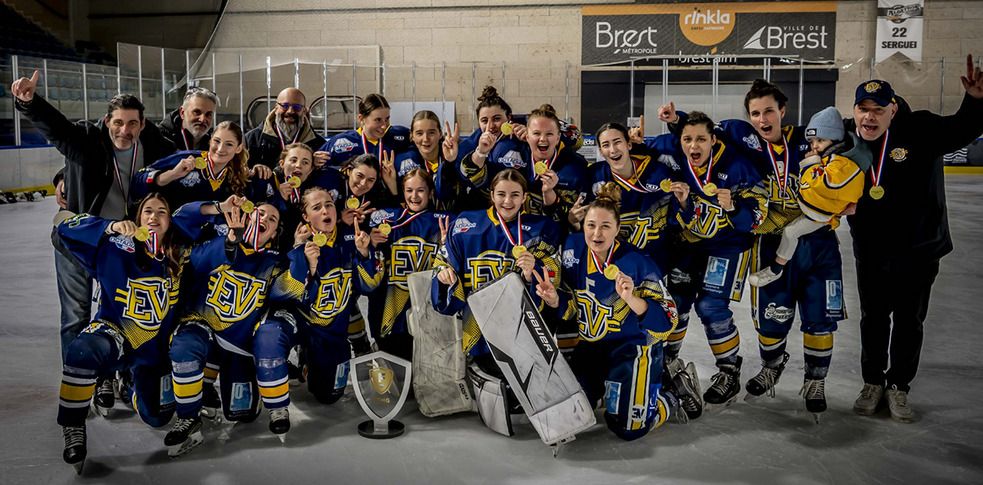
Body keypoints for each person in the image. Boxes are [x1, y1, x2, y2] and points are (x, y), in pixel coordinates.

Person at [657, 80, 847, 414]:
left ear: (782, 111)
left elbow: (852, 151)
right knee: (771, 315)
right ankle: (769, 366)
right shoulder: (742, 137)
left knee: (819, 316)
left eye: (769, 111)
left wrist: (855, 197)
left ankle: (815, 378)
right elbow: (696, 130)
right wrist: (676, 120)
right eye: (755, 113)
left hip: (815, 239)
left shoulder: (808, 140)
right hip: (769, 241)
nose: (762, 119)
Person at [12, 71, 175, 412]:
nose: (124, 131)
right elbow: (58, 130)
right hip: (81, 242)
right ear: (106, 122)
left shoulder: (157, 147)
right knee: (76, 315)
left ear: (142, 124)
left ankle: (116, 375)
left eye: (132, 124)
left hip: (125, 247)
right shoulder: (87, 139)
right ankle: (80, 385)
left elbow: (189, 165)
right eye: (118, 123)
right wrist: (29, 103)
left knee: (119, 313)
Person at [847, 56, 983, 422]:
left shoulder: (921, 128)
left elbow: (963, 128)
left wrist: (975, 100)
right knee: (873, 318)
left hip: (918, 251)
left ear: (892, 109)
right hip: (871, 250)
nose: (869, 117)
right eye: (863, 109)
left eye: (878, 110)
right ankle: (872, 382)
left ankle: (898, 385)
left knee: (909, 320)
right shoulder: (848, 138)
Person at [537, 183, 700, 440]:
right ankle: (613, 393)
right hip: (592, 348)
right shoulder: (572, 250)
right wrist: (555, 299)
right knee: (569, 413)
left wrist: (632, 299)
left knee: (629, 428)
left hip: (632, 348)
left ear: (617, 228)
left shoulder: (636, 262)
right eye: (591, 225)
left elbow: (668, 320)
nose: (597, 233)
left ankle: (674, 393)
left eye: (605, 226)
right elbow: (573, 308)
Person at [164, 198, 306, 457]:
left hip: (237, 345)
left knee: (243, 413)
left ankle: (231, 384)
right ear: (247, 217)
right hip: (203, 329)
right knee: (185, 346)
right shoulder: (220, 238)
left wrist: (298, 253)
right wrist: (228, 237)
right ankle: (188, 417)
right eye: (260, 213)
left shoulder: (275, 261)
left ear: (274, 233)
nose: (264, 220)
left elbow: (286, 293)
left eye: (272, 219)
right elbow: (186, 236)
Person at [55, 194, 185, 473]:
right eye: (147, 211)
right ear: (137, 218)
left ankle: (127, 384)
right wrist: (109, 227)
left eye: (162, 212)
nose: (154, 217)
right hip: (116, 333)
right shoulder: (116, 245)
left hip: (154, 351)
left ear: (170, 220)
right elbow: (62, 223)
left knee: (159, 417)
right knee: (82, 350)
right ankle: (73, 425)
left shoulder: (179, 254)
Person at [431, 169, 562, 434]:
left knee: (522, 385)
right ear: (491, 195)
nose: (507, 201)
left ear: (525, 197)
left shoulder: (541, 228)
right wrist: (444, 274)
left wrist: (534, 271)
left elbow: (554, 276)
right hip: (479, 322)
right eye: (501, 194)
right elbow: (443, 261)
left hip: (520, 324)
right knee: (492, 375)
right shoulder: (466, 223)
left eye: (515, 195)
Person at [652, 112, 767, 407]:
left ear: (713, 140)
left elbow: (758, 216)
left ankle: (729, 371)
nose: (694, 145)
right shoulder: (673, 159)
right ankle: (667, 363)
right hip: (689, 246)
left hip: (727, 247)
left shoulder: (737, 166)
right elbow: (639, 150)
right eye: (688, 139)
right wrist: (683, 206)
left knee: (711, 306)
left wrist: (734, 208)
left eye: (701, 139)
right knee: (676, 303)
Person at [253, 187, 379, 439]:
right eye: (316, 207)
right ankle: (277, 407)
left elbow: (369, 286)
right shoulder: (294, 241)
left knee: (329, 396)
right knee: (268, 334)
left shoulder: (353, 239)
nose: (325, 210)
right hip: (297, 319)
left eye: (329, 205)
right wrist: (304, 263)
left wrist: (365, 254)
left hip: (330, 330)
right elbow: (279, 294)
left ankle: (308, 360)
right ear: (305, 217)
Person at [749, 107, 869, 288]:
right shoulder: (831, 157)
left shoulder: (842, 163)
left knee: (790, 232)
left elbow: (823, 184)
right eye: (812, 141)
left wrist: (810, 164)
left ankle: (775, 269)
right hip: (814, 209)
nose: (815, 146)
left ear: (835, 139)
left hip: (820, 214)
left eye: (820, 140)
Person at [365, 168, 450, 360]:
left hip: (426, 308)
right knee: (393, 364)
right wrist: (371, 243)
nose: (414, 196)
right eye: (409, 190)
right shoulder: (386, 219)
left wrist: (448, 244)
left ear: (430, 192)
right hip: (389, 305)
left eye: (420, 190)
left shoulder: (442, 221)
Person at [132, 121, 275, 210]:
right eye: (217, 141)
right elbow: (138, 180)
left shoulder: (239, 175)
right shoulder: (187, 159)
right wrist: (172, 174)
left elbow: (261, 201)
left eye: (229, 144)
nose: (220, 149)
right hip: (171, 236)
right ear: (210, 141)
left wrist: (263, 172)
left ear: (238, 148)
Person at [392, 110, 464, 211]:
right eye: (419, 133)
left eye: (431, 133)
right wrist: (392, 184)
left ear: (440, 134)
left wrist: (450, 161)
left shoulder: (456, 153)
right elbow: (403, 201)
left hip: (454, 215)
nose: (426, 139)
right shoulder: (403, 161)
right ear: (412, 136)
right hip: (423, 218)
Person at [319, 93, 412, 169]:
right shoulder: (341, 142)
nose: (384, 126)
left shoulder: (400, 135)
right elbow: (316, 163)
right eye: (378, 120)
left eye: (387, 119)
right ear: (361, 118)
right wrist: (314, 161)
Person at [245, 87, 325, 169]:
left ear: (304, 111)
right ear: (276, 108)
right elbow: (241, 170)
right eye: (285, 106)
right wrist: (254, 171)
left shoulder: (319, 144)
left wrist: (315, 165)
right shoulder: (252, 139)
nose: (290, 111)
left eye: (297, 107)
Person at [159, 87, 218, 151]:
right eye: (197, 112)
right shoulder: (158, 140)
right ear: (182, 113)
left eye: (208, 114)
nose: (203, 119)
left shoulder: (215, 145)